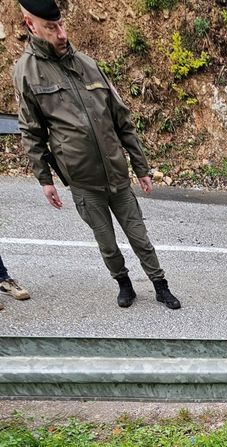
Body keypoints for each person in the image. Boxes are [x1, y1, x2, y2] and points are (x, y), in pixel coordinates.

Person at [13, 0, 180, 310]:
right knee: (107, 243)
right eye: (51, 28)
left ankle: (160, 284)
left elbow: (122, 119)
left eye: (62, 25)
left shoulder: (87, 64)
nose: (61, 34)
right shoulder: (26, 72)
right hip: (82, 179)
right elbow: (31, 131)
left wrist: (140, 166)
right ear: (30, 25)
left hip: (115, 172)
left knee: (139, 236)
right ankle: (124, 284)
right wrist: (44, 179)